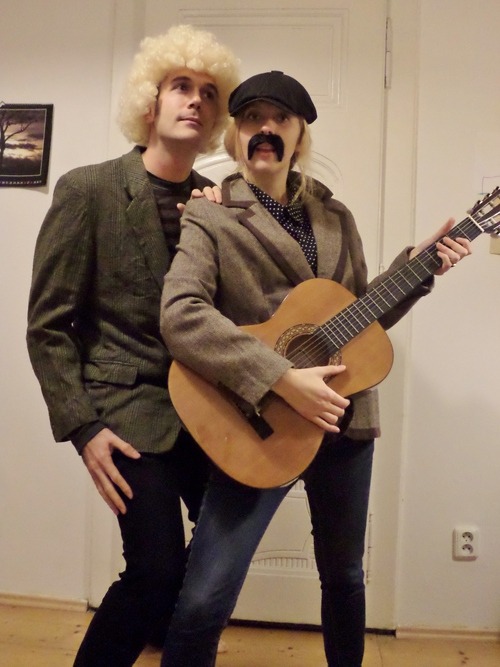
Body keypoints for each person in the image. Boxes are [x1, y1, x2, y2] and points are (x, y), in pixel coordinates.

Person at [159, 70, 471, 666]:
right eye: (253, 118)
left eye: (281, 118)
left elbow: (357, 319)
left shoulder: (336, 217)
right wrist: (278, 376)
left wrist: (417, 268)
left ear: (299, 135)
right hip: (258, 424)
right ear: (236, 134)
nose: (266, 128)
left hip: (343, 423)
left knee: (345, 578)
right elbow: (181, 314)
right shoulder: (210, 215)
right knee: (202, 600)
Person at [26, 24, 239, 666]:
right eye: (181, 85)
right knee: (154, 569)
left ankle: (170, 645)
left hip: (207, 413)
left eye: (209, 92)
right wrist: (83, 428)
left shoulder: (219, 204)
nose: (196, 100)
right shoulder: (88, 190)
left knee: (225, 551)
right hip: (125, 413)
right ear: (151, 99)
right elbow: (48, 325)